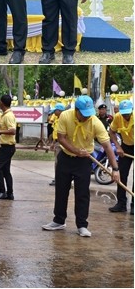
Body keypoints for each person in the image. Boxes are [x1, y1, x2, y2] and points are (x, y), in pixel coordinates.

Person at [43, 95, 120, 237]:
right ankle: (59, 220)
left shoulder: (95, 122)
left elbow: (107, 146)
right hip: (66, 158)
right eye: (83, 114)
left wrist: (115, 169)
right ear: (76, 110)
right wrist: (76, 151)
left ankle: (82, 225)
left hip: (84, 162)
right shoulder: (65, 116)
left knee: (82, 194)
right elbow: (61, 138)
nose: (86, 118)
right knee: (61, 190)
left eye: (88, 114)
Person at [108, 99, 133, 214]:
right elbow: (111, 132)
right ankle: (121, 203)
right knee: (121, 174)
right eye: (124, 114)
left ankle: (134, 205)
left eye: (128, 113)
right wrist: (118, 147)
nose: (126, 116)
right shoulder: (118, 117)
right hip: (125, 147)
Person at [0, 95, 17, 200]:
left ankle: (2, 191)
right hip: (5, 146)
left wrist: (0, 132)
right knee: (6, 170)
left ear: (2, 103)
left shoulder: (8, 116)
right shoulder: (5, 115)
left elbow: (13, 130)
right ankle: (9, 193)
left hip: (8, 147)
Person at [48, 103, 65, 186]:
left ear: (60, 111)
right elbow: (55, 133)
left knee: (59, 162)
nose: (54, 113)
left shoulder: (63, 120)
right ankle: (57, 178)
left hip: (61, 143)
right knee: (57, 162)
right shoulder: (57, 119)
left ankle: (59, 179)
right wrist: (53, 143)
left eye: (55, 111)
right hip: (57, 142)